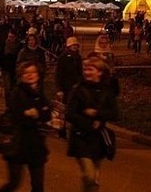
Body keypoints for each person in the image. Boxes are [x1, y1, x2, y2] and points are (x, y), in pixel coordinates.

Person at [66, 56, 119, 192]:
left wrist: (97, 114)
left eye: (91, 69)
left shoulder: (107, 91)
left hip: (98, 139)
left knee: (93, 177)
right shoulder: (78, 90)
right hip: (80, 137)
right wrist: (88, 123)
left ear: (100, 72)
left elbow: (114, 114)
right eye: (86, 69)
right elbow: (69, 114)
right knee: (90, 176)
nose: (87, 72)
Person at [0, 60, 51, 192]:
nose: (30, 75)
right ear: (21, 76)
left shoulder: (40, 93)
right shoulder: (17, 93)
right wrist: (32, 114)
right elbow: (17, 116)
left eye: (33, 72)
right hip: (18, 144)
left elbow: (47, 114)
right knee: (14, 183)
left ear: (38, 75)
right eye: (26, 73)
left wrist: (36, 113)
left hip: (36, 145)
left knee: (38, 185)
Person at [55, 35, 83, 138]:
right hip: (66, 88)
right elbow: (59, 73)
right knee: (64, 110)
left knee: (73, 110)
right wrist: (59, 89)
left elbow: (80, 72)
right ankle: (62, 130)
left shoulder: (78, 57)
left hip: (75, 88)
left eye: (76, 45)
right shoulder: (64, 57)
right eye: (73, 45)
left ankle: (72, 130)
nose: (75, 47)